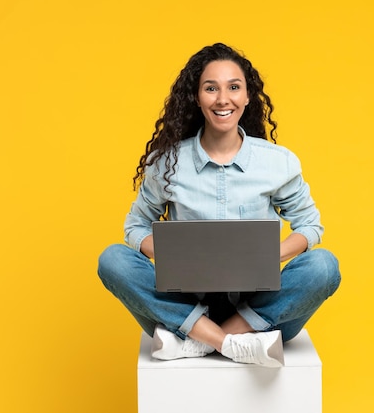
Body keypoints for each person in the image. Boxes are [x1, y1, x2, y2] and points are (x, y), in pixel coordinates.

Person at [98, 43, 340, 368]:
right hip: (184, 305)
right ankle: (227, 343)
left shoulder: (277, 163)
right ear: (197, 98)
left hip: (260, 306)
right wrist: (175, 255)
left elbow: (310, 226)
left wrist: (270, 256)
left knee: (324, 266)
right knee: (113, 259)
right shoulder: (167, 163)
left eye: (234, 87)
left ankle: (199, 343)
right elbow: (135, 227)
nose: (223, 99)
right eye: (211, 88)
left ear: (247, 96)